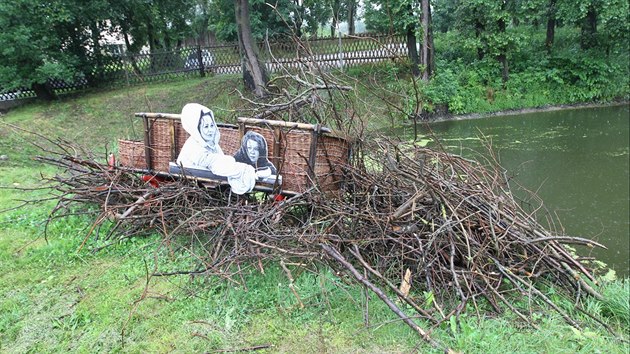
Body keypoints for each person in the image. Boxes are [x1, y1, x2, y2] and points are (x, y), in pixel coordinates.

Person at [176, 103, 256, 194]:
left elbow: (221, 159)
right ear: (196, 129)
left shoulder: (211, 144)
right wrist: (242, 169)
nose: (210, 130)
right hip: (190, 188)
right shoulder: (193, 146)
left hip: (205, 187)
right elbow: (215, 163)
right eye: (206, 127)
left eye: (211, 125)